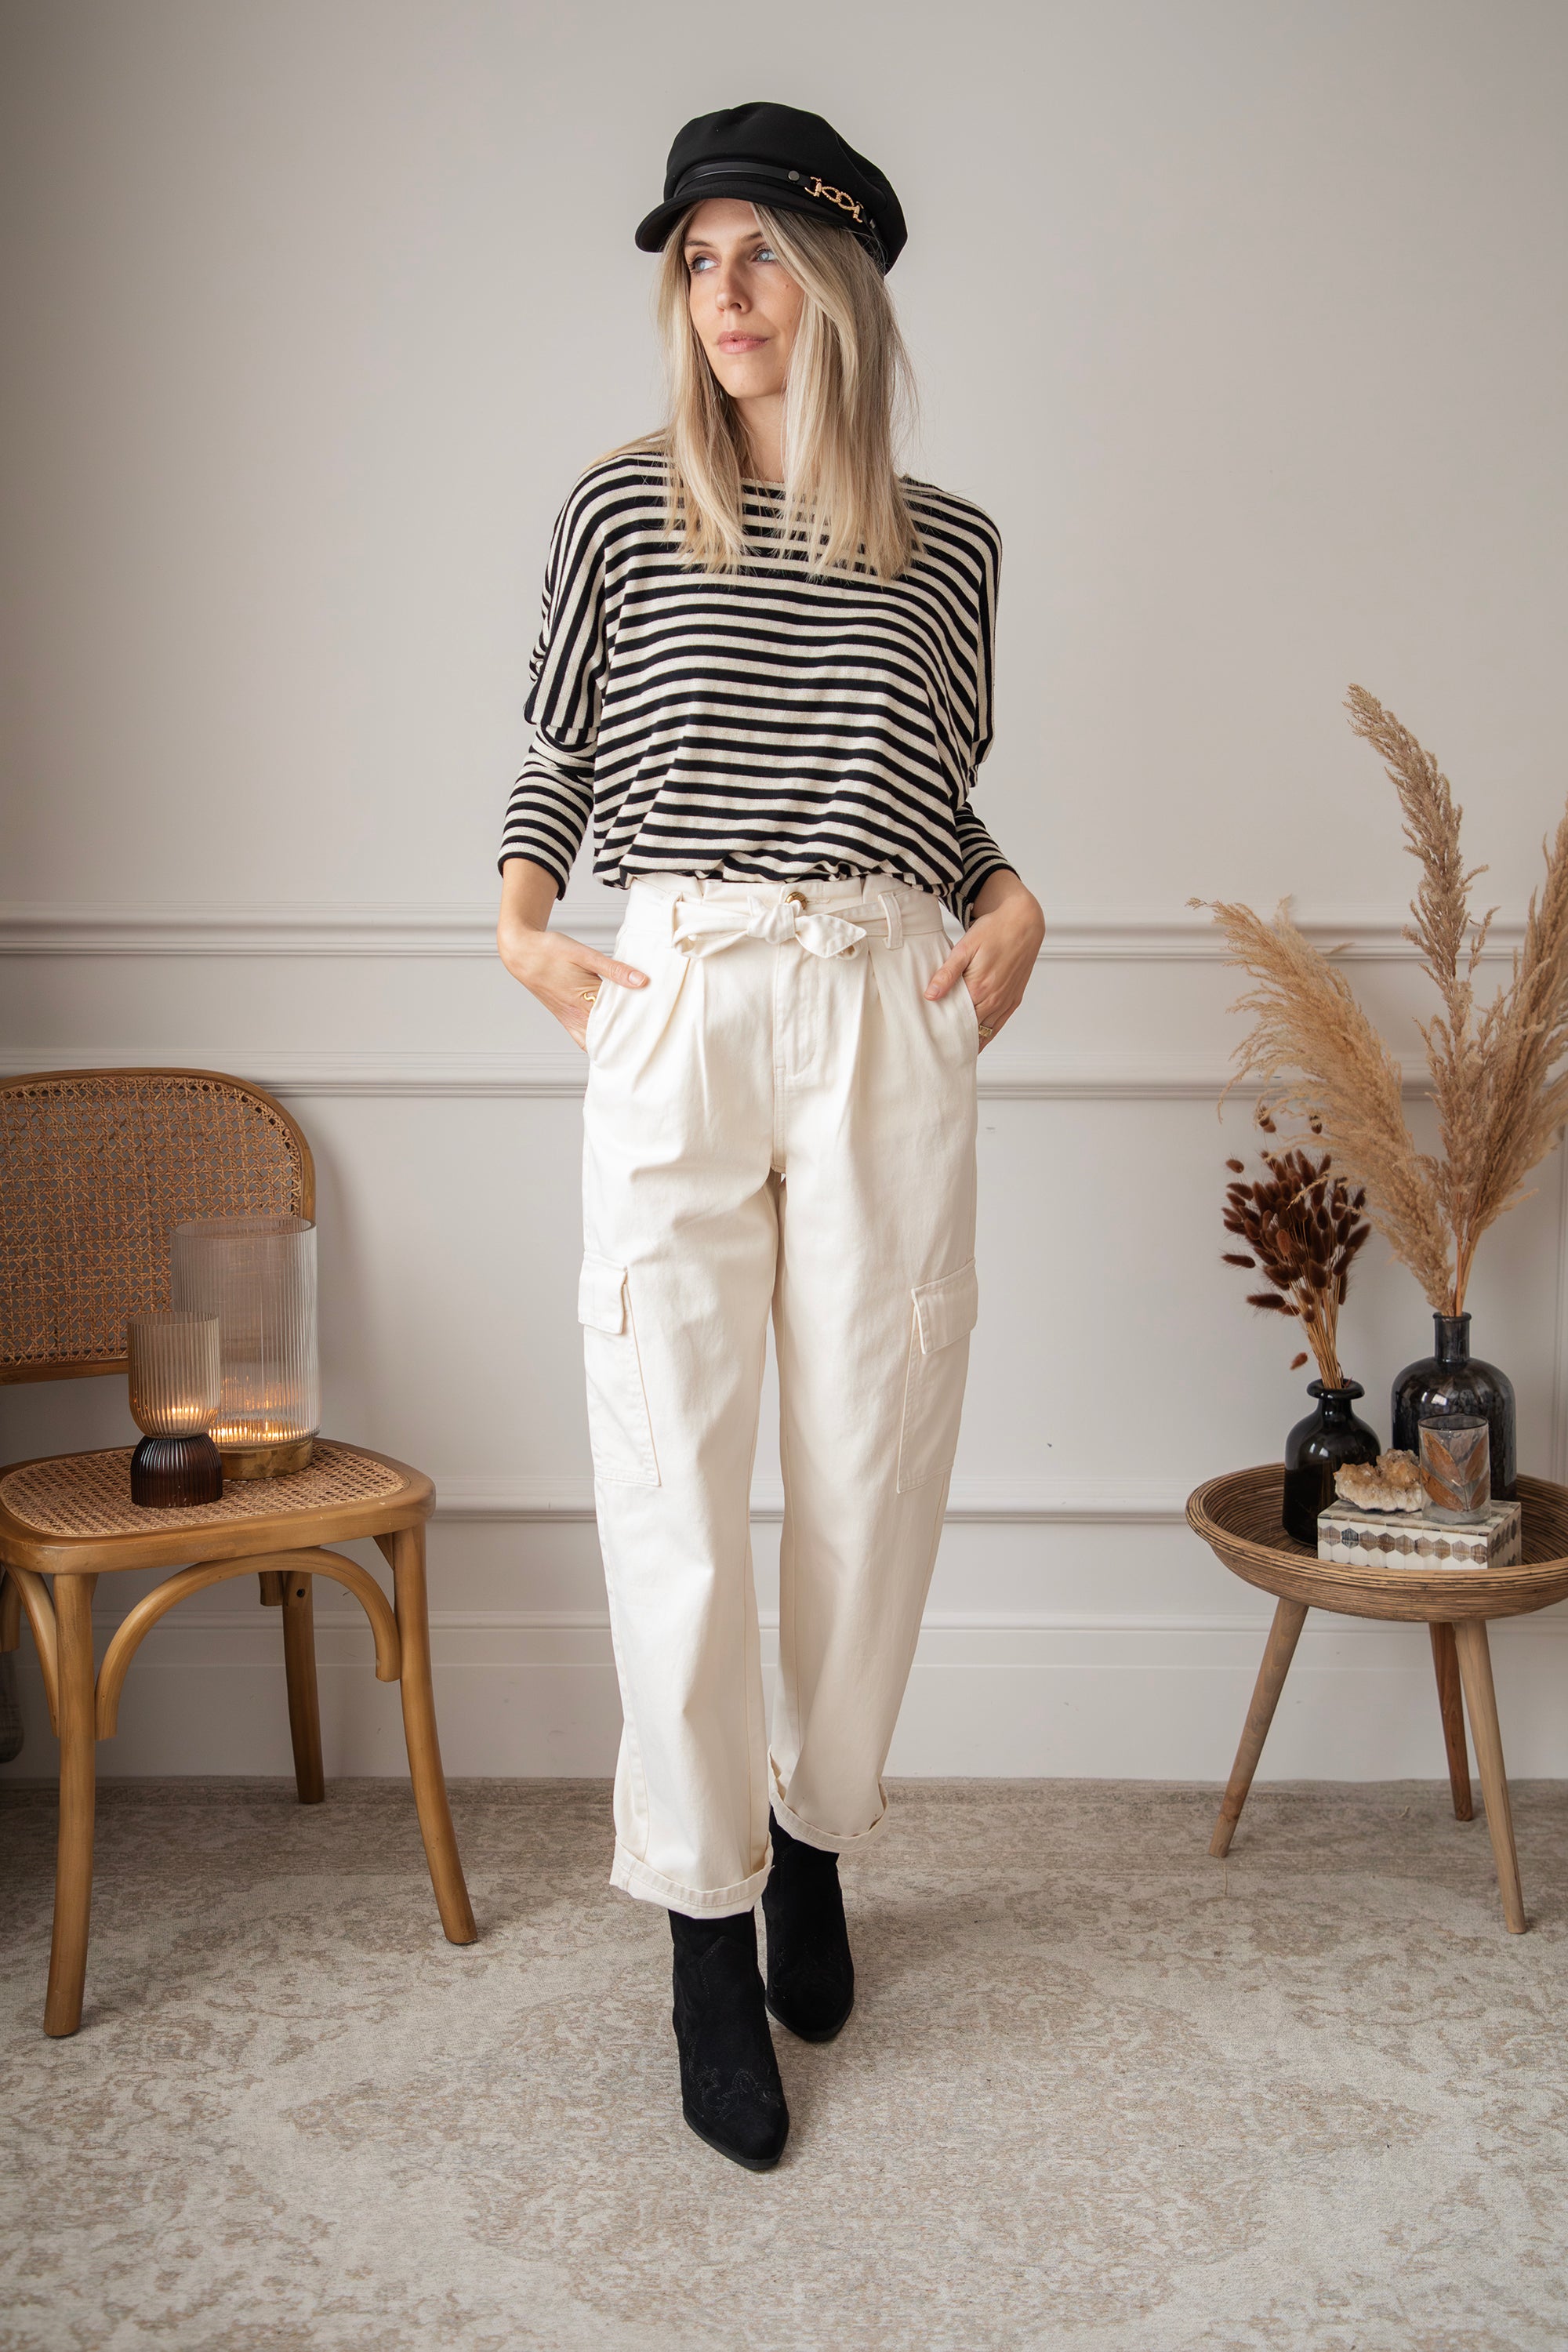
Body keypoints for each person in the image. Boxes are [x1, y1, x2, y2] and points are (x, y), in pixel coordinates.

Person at [497, 101, 1044, 2170]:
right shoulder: (620, 510)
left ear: (838, 285)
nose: (723, 296)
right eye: (696, 260)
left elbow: (927, 800)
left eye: (759, 257)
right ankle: (701, 1926)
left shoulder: (953, 544)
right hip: (684, 995)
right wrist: (524, 927)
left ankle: (813, 1837)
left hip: (886, 1005)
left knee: (872, 1464)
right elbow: (557, 755)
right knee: (669, 1475)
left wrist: (1015, 898)